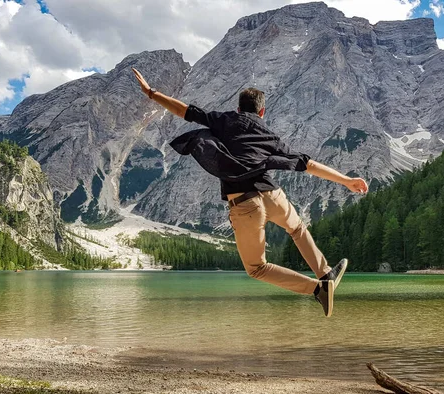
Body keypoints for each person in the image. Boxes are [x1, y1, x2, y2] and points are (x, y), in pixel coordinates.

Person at [132, 68, 368, 317]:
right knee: (297, 229)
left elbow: (185, 111)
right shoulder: (269, 135)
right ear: (262, 112)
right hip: (273, 194)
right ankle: (324, 272)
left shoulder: (224, 120)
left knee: (256, 267)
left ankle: (317, 288)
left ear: (238, 108)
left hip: (245, 203)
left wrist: (151, 93)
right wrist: (346, 181)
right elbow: (307, 164)